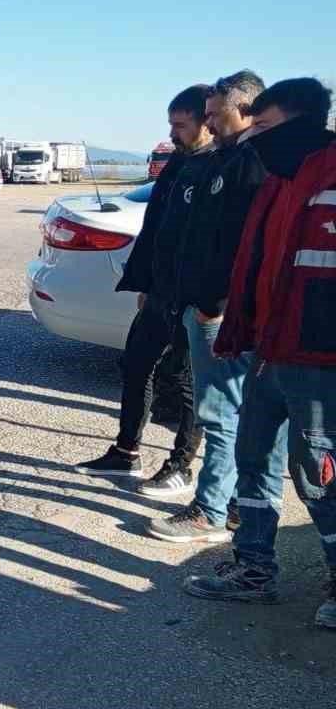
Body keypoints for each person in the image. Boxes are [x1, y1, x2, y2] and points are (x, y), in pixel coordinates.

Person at [185, 77, 336, 629]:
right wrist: (239, 328)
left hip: (318, 361)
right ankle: (253, 569)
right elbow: (256, 262)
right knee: (254, 458)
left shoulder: (328, 178)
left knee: (318, 470)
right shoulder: (279, 182)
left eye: (266, 127)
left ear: (301, 124)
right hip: (271, 350)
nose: (256, 138)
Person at [150, 71, 271, 542]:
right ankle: (236, 504)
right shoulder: (221, 160)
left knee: (221, 415)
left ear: (243, 110)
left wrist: (214, 304)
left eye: (215, 114)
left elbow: (246, 244)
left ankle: (211, 510)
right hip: (205, 307)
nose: (209, 122)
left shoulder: (252, 163)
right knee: (231, 414)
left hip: (220, 314)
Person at [74, 86, 213, 494]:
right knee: (135, 366)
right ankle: (126, 452)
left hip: (192, 297)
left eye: (180, 125)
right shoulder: (179, 164)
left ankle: (181, 465)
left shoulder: (217, 168)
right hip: (159, 292)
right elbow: (156, 230)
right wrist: (146, 284)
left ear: (206, 121)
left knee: (186, 380)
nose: (172, 133)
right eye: (170, 124)